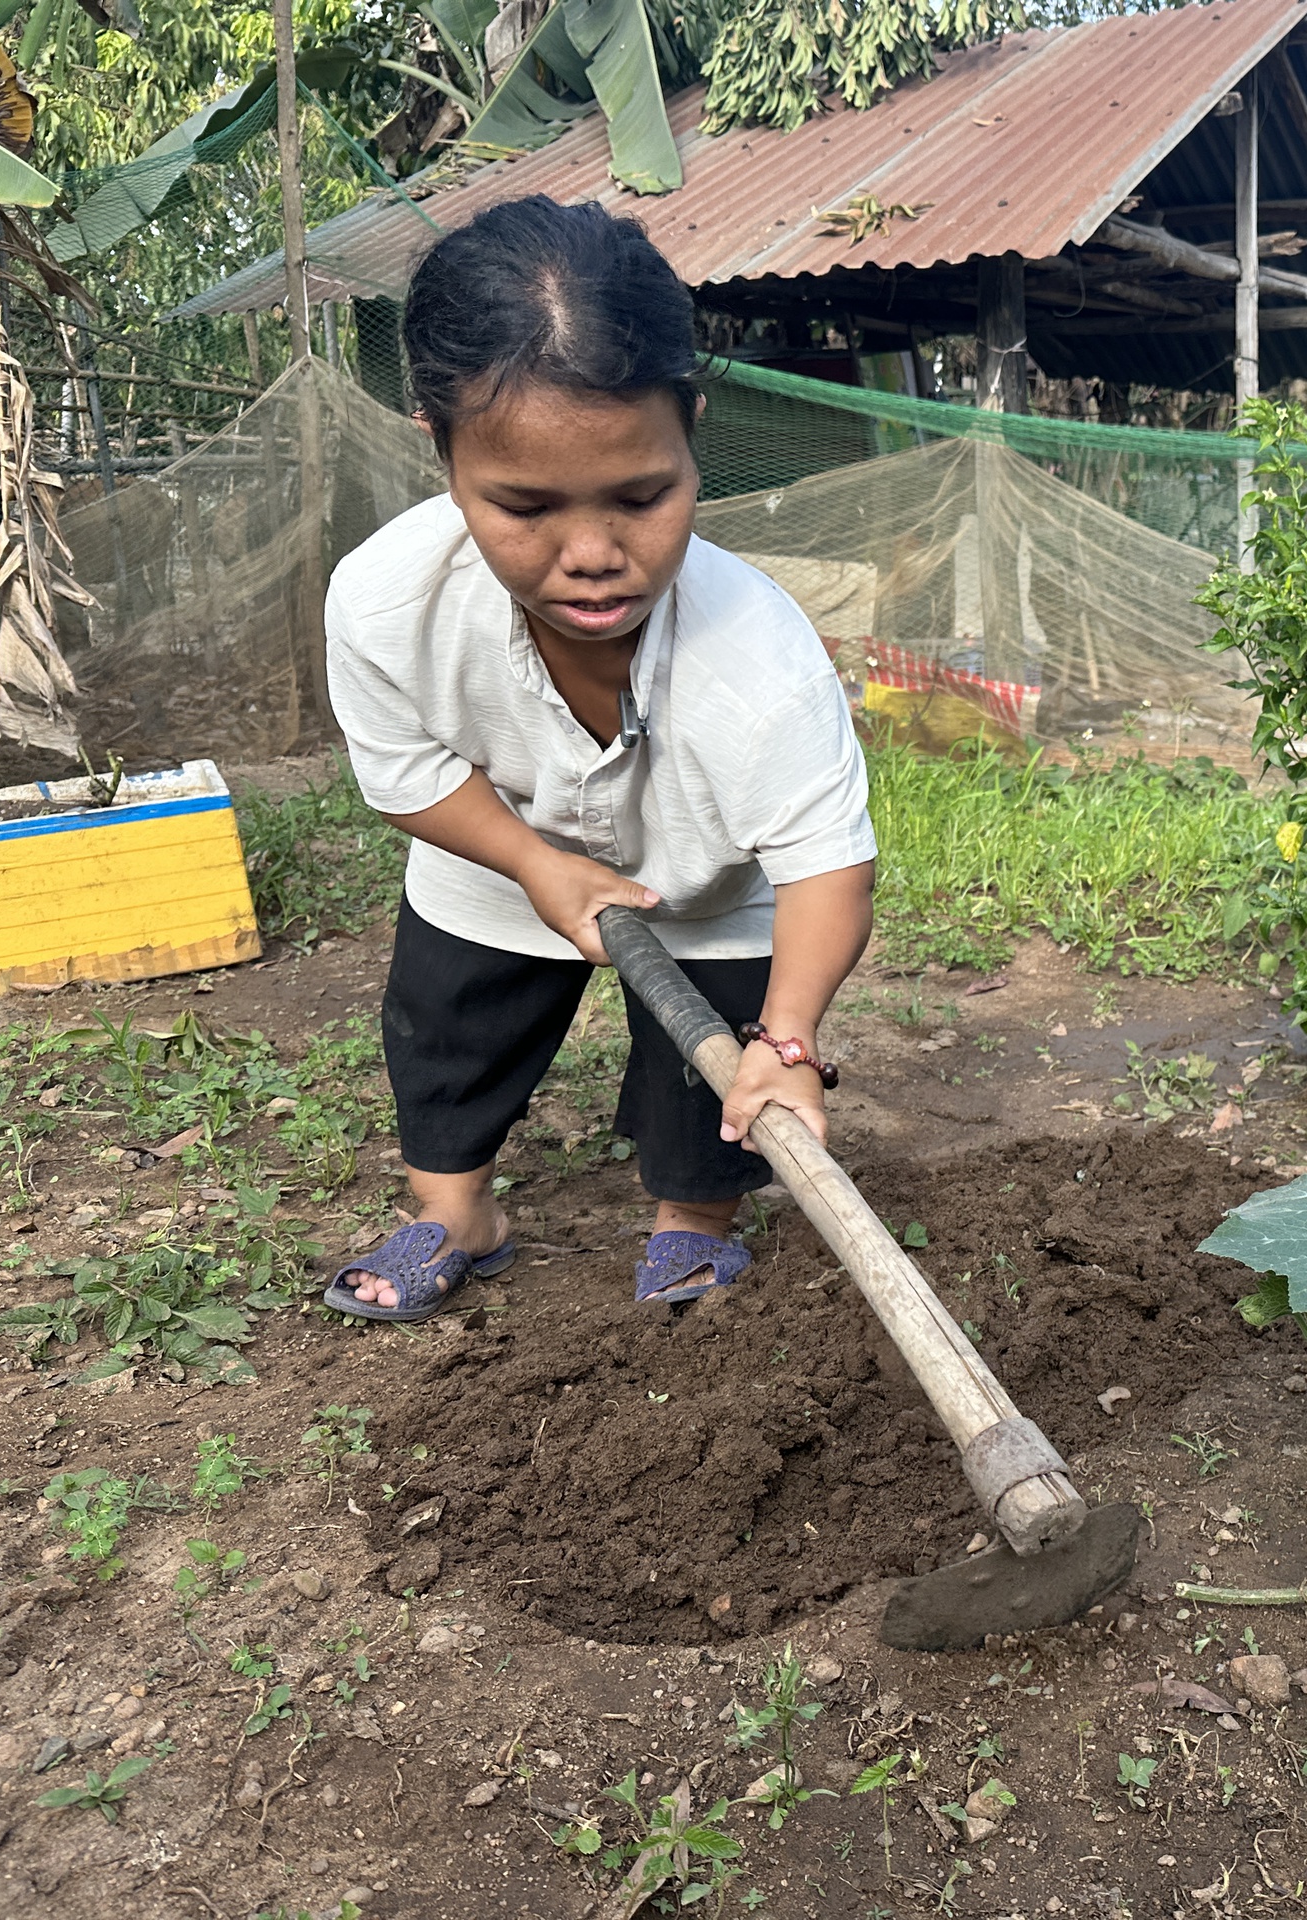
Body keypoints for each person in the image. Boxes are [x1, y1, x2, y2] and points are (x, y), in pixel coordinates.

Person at [320, 194, 874, 1322]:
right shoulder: (387, 603)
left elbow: (827, 870)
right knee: (447, 1033)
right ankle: (458, 1213)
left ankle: (689, 1226)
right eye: (522, 505)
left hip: (710, 891)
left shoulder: (757, 655)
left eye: (642, 496)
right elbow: (407, 771)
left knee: (709, 1071)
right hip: (489, 866)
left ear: (691, 427)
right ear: (440, 446)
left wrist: (789, 1037)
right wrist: (529, 862)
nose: (592, 558)